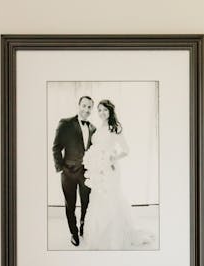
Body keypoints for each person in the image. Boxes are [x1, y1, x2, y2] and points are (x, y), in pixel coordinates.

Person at [82, 99, 151, 250]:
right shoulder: (99, 128)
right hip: (98, 170)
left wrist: (113, 158)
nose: (101, 113)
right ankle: (97, 235)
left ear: (110, 111)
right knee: (98, 198)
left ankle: (113, 236)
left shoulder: (115, 127)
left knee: (111, 198)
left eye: (105, 110)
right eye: (99, 110)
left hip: (110, 169)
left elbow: (126, 150)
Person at [52, 95, 95, 246]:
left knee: (86, 203)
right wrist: (61, 169)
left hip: (86, 174)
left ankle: (84, 226)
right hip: (68, 173)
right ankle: (74, 233)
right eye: (84, 105)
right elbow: (56, 148)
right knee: (70, 205)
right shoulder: (65, 123)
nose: (86, 109)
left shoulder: (92, 128)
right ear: (79, 105)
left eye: (89, 107)